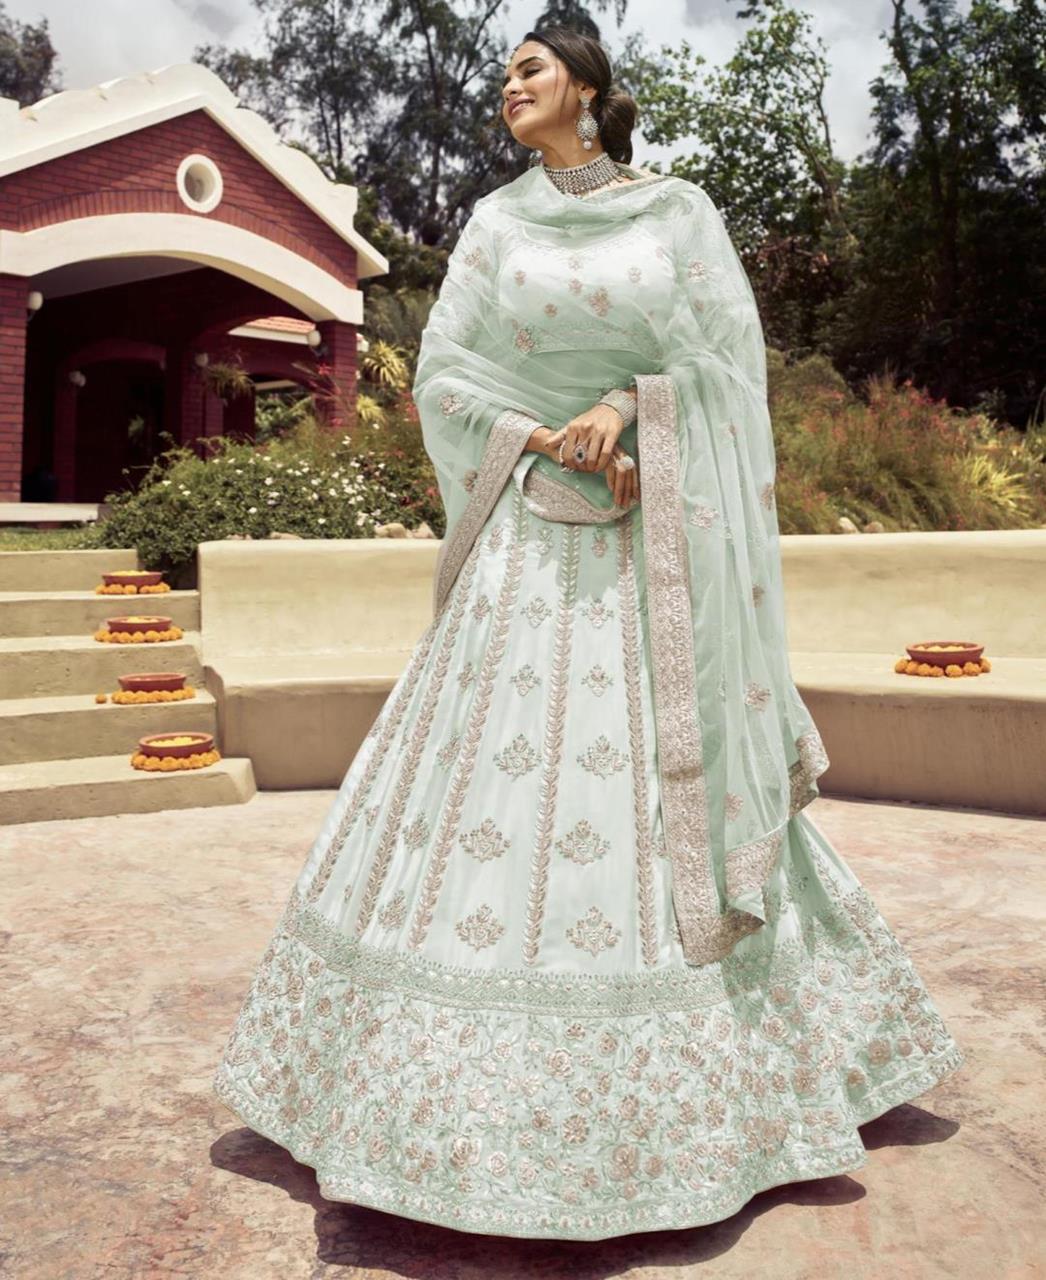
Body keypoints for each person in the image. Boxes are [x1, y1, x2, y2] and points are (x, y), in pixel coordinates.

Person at [214, 25, 965, 1241]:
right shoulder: (494, 224)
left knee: (675, 785)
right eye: (505, 72)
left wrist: (626, 409)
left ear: (590, 90)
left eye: (532, 68)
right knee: (485, 796)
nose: (509, 86)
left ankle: (755, 1080)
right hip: (527, 532)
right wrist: (541, 435)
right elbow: (443, 376)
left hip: (652, 548)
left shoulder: (676, 214)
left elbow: (720, 368)